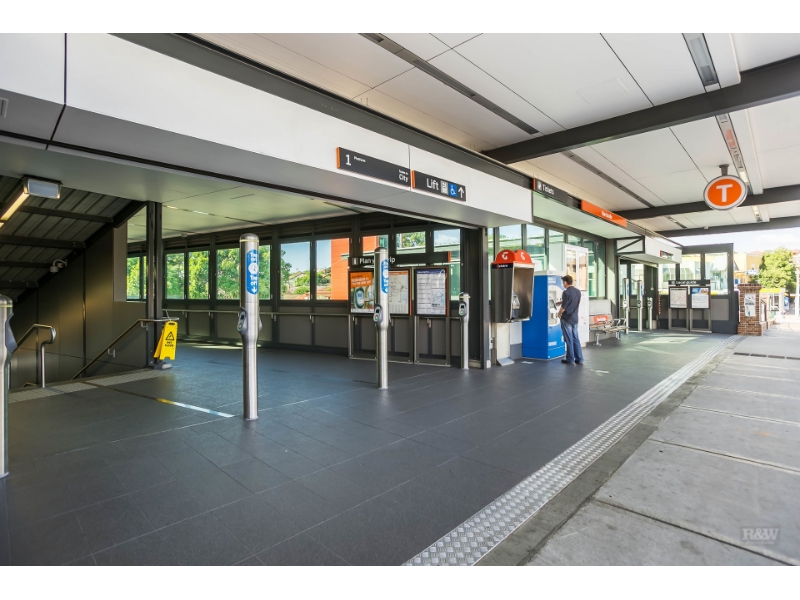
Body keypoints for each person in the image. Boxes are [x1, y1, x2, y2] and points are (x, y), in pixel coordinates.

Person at [557, 274, 584, 365]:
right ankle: (579, 358)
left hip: (567, 319)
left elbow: (564, 307)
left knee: (569, 339)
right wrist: (561, 302)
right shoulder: (578, 292)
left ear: (565, 282)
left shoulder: (566, 292)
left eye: (563, 282)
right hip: (575, 318)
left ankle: (570, 359)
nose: (563, 284)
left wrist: (559, 313)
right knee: (576, 339)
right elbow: (573, 301)